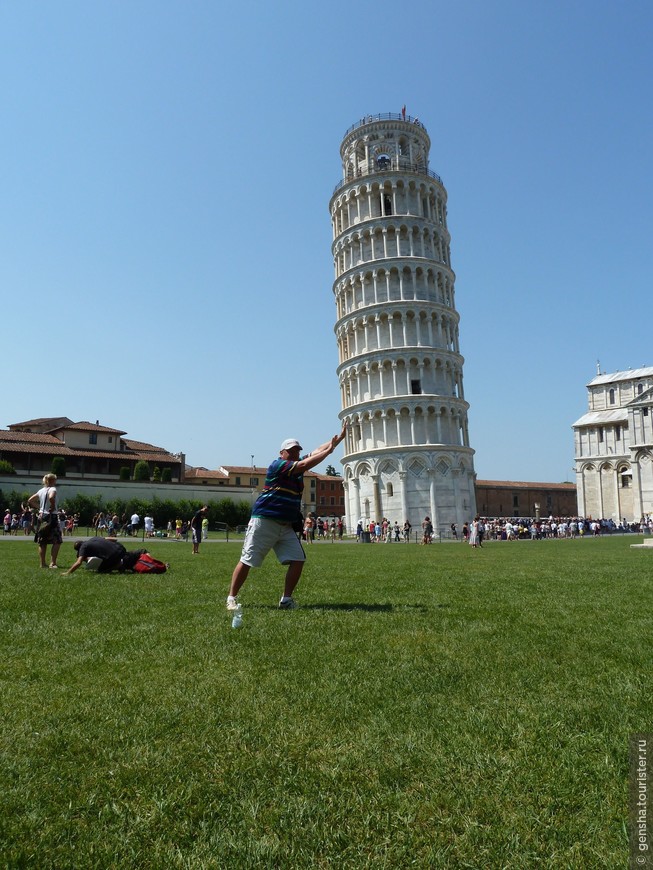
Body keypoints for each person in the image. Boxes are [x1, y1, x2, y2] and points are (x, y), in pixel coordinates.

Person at [226, 425, 346, 611]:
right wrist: (330, 451)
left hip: (286, 524)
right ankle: (231, 598)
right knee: (247, 560)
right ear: (281, 453)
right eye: (290, 451)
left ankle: (286, 600)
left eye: (297, 451)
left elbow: (314, 452)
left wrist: (334, 442)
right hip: (264, 521)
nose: (294, 454)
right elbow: (307, 463)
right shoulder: (279, 466)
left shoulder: (296, 469)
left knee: (298, 559)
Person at [27, 473, 62, 569]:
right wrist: (52, 506)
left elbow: (30, 500)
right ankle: (53, 563)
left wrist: (40, 508)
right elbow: (51, 497)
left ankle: (42, 564)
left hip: (41, 516)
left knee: (42, 541)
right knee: (57, 540)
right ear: (52, 480)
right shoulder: (53, 489)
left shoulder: (41, 490)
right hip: (51, 516)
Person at [62, 537, 146, 574]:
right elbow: (113, 539)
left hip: (114, 555)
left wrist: (68, 572)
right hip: (121, 548)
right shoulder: (93, 539)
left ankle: (119, 565)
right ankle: (122, 563)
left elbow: (78, 562)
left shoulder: (83, 548)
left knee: (101, 570)